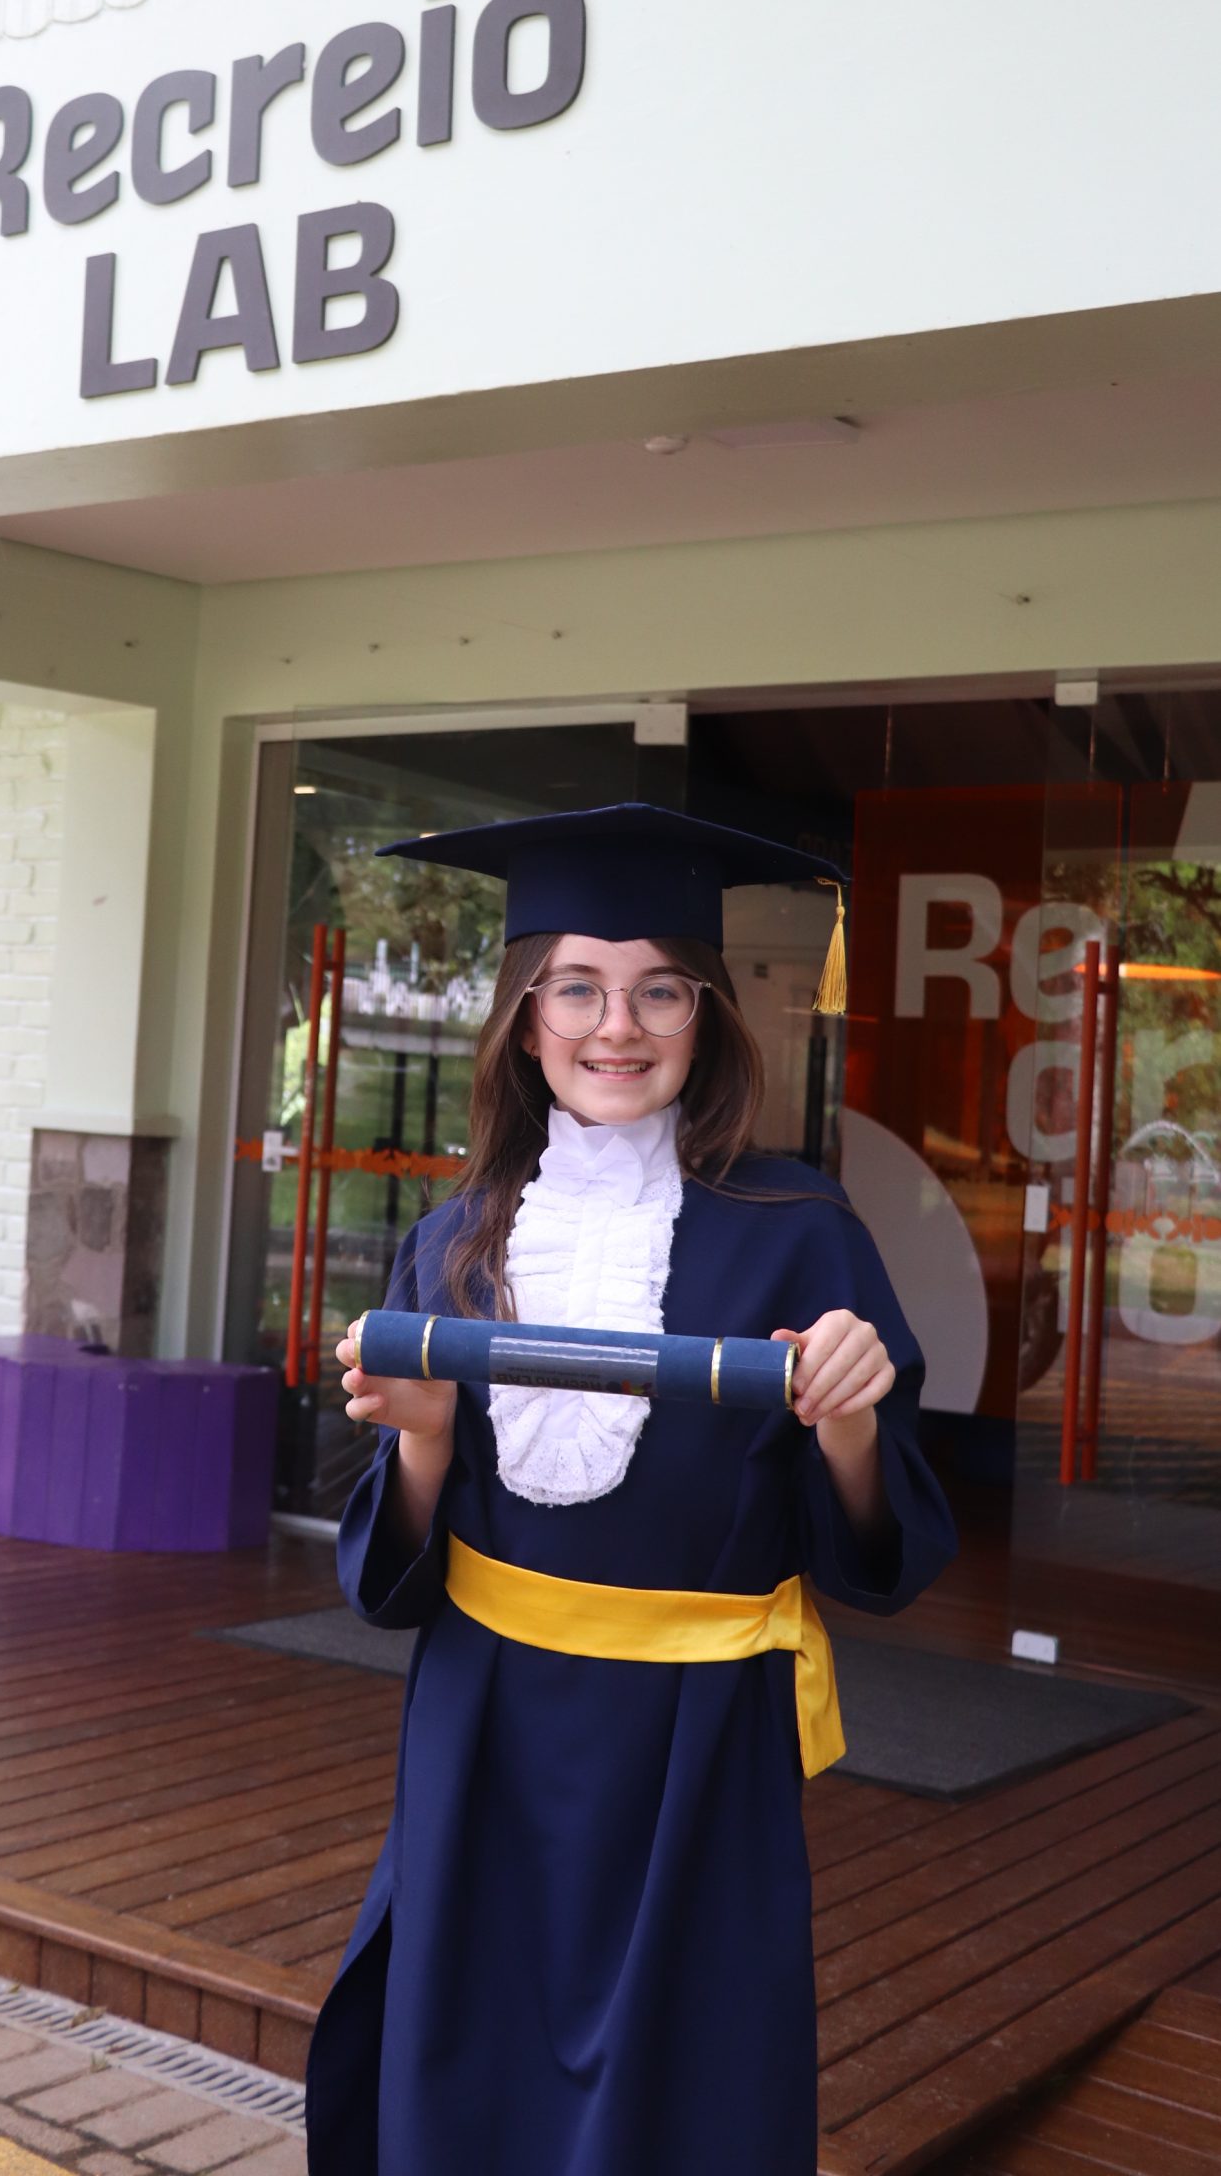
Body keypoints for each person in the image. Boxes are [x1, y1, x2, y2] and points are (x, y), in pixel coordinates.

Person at [303, 804, 957, 2176]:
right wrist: (423, 1441)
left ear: (707, 1016)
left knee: (682, 2096)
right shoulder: (453, 1240)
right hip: (485, 1729)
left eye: (662, 989)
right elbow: (390, 1583)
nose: (619, 1026)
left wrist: (847, 1422)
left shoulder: (802, 1236)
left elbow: (882, 1557)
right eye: (578, 989)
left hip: (696, 1746)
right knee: (467, 2074)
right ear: (523, 1019)